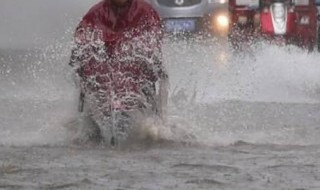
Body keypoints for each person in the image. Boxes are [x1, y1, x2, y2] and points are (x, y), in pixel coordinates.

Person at [69, 0, 168, 145]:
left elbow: (154, 41)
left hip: (134, 73)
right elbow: (81, 41)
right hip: (103, 72)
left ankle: (153, 124)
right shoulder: (96, 12)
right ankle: (91, 128)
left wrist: (149, 62)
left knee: (148, 86)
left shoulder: (145, 10)